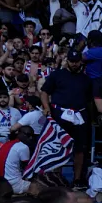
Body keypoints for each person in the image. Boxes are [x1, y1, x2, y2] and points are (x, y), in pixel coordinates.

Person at [40, 49, 92, 180]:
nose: (74, 64)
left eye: (77, 61)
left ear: (80, 62)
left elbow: (89, 100)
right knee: (58, 146)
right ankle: (57, 179)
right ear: (67, 61)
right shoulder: (57, 75)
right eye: (72, 61)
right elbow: (44, 92)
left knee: (80, 149)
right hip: (59, 114)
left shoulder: (85, 79)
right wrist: (46, 107)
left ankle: (77, 179)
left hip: (79, 116)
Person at [0, 125, 34, 194]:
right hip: (13, 184)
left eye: (32, 136)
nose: (31, 138)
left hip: (1, 182)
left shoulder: (6, 144)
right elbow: (26, 169)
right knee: (38, 186)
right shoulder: (23, 147)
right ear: (19, 133)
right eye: (28, 135)